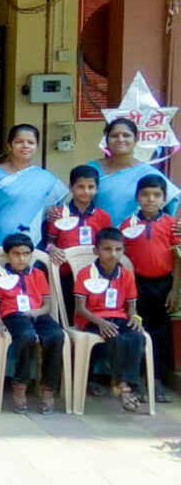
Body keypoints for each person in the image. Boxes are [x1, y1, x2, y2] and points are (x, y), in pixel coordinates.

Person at [0, 233, 64, 414]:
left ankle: (48, 387)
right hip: (13, 316)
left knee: (57, 335)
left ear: (31, 255)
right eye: (16, 254)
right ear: (8, 255)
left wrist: (36, 312)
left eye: (26, 254)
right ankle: (20, 383)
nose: (22, 258)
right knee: (26, 336)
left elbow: (47, 305)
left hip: (38, 314)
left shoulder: (37, 274)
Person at [118, 174, 180, 402]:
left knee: (161, 334)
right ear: (137, 198)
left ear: (164, 199)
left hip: (163, 285)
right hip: (136, 286)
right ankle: (135, 382)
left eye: (156, 195)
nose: (150, 199)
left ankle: (158, 382)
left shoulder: (172, 225)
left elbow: (177, 258)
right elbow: (120, 257)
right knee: (136, 332)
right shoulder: (128, 224)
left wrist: (174, 289)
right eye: (145, 194)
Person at [73, 227, 146, 413]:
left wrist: (135, 318)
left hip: (119, 317)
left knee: (137, 336)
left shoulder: (126, 274)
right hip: (92, 319)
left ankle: (127, 383)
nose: (113, 254)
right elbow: (80, 308)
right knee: (115, 337)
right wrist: (99, 322)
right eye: (107, 249)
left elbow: (131, 306)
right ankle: (122, 386)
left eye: (118, 249)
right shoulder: (85, 273)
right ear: (96, 251)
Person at [0, 124, 69, 254]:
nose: (25, 146)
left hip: (32, 243)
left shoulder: (46, 179)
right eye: (19, 142)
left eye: (31, 142)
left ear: (36, 147)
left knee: (30, 274)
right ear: (9, 145)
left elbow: (57, 212)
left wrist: (52, 214)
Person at [45, 165, 112, 314]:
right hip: (65, 273)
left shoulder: (103, 216)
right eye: (80, 187)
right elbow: (49, 242)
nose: (86, 191)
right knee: (67, 312)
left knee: (92, 312)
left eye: (91, 187)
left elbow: (108, 245)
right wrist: (52, 249)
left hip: (94, 275)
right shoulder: (58, 214)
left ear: (97, 188)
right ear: (71, 187)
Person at [89, 117, 180, 226]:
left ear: (136, 139)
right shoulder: (90, 170)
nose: (120, 139)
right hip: (97, 237)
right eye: (114, 136)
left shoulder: (147, 173)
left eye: (126, 135)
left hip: (136, 238)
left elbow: (171, 200)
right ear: (106, 140)